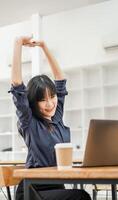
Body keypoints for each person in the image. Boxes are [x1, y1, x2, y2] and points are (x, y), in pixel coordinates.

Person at [9, 36, 91, 200]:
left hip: (55, 185)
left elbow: (60, 80)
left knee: (81, 195)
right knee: (80, 196)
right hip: (31, 191)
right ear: (33, 102)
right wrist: (18, 44)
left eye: (52, 97)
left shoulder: (56, 118)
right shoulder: (29, 122)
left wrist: (45, 47)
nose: (50, 104)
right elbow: (17, 85)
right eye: (42, 99)